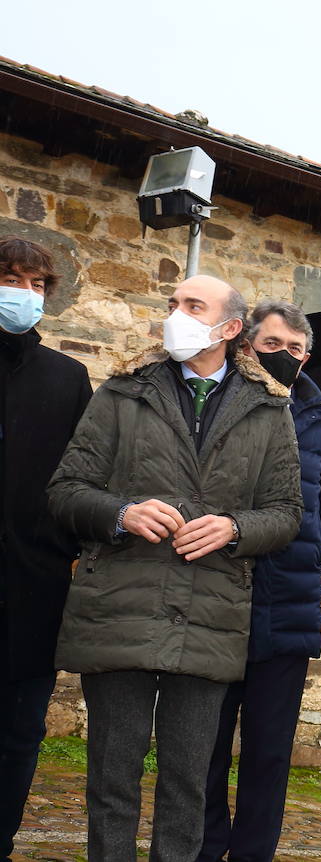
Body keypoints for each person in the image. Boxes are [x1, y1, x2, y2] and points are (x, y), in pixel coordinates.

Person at [46, 275, 302, 862]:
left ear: (230, 327)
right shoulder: (121, 392)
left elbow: (286, 514)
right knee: (112, 777)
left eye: (192, 306)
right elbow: (65, 491)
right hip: (118, 604)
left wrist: (236, 528)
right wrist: (121, 512)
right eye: (172, 304)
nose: (175, 315)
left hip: (209, 613)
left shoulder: (268, 410)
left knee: (188, 783)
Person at [198, 300, 321, 862]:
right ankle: (204, 846)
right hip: (216, 598)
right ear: (245, 345)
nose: (285, 357)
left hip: (286, 605)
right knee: (204, 747)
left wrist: (290, 538)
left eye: (295, 349)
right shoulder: (216, 402)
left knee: (268, 753)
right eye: (272, 346)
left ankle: (252, 853)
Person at [0, 237, 90, 862]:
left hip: (33, 588)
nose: (24, 293)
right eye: (11, 279)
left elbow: (83, 479)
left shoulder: (67, 378)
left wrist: (68, 554)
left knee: (18, 734)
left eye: (36, 284)